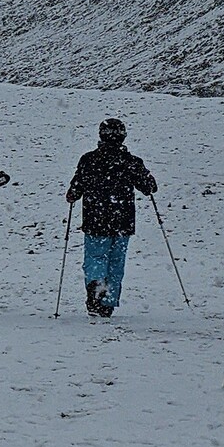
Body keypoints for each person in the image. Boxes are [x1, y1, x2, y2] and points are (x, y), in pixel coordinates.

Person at [65, 118, 157, 318]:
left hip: (96, 219)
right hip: (123, 221)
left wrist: (73, 194)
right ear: (123, 136)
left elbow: (75, 189)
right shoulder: (131, 162)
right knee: (116, 262)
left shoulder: (89, 160)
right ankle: (107, 302)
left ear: (101, 135)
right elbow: (149, 187)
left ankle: (96, 293)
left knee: (96, 258)